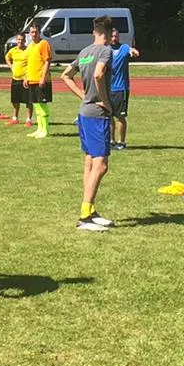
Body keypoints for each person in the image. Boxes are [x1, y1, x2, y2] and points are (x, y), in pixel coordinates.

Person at [60, 16, 116, 231]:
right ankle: (84, 215)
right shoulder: (105, 51)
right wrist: (105, 102)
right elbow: (99, 75)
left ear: (94, 32)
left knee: (90, 161)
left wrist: (84, 96)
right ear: (109, 33)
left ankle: (90, 210)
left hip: (84, 113)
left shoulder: (84, 52)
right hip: (97, 114)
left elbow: (65, 76)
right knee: (101, 164)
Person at [108, 26, 141, 150]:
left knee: (120, 116)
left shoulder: (124, 48)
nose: (114, 38)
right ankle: (111, 141)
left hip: (121, 89)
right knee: (109, 116)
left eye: (116, 36)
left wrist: (134, 52)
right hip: (107, 88)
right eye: (112, 36)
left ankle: (121, 142)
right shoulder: (105, 49)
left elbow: (131, 50)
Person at [24, 24, 54, 140]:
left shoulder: (44, 44)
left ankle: (45, 130)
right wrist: (26, 77)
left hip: (40, 80)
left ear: (39, 32)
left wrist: (43, 77)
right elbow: (29, 63)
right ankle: (39, 128)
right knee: (36, 105)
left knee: (42, 105)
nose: (34, 34)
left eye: (36, 32)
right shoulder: (30, 46)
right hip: (32, 79)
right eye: (32, 32)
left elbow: (47, 61)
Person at [3, 31, 31, 124]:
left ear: (25, 40)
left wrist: (27, 77)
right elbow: (7, 57)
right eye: (19, 39)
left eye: (22, 40)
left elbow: (32, 64)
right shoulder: (13, 50)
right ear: (16, 40)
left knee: (28, 101)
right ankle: (15, 118)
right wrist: (11, 66)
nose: (20, 41)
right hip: (15, 78)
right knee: (15, 100)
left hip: (26, 79)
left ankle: (28, 120)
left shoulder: (28, 51)